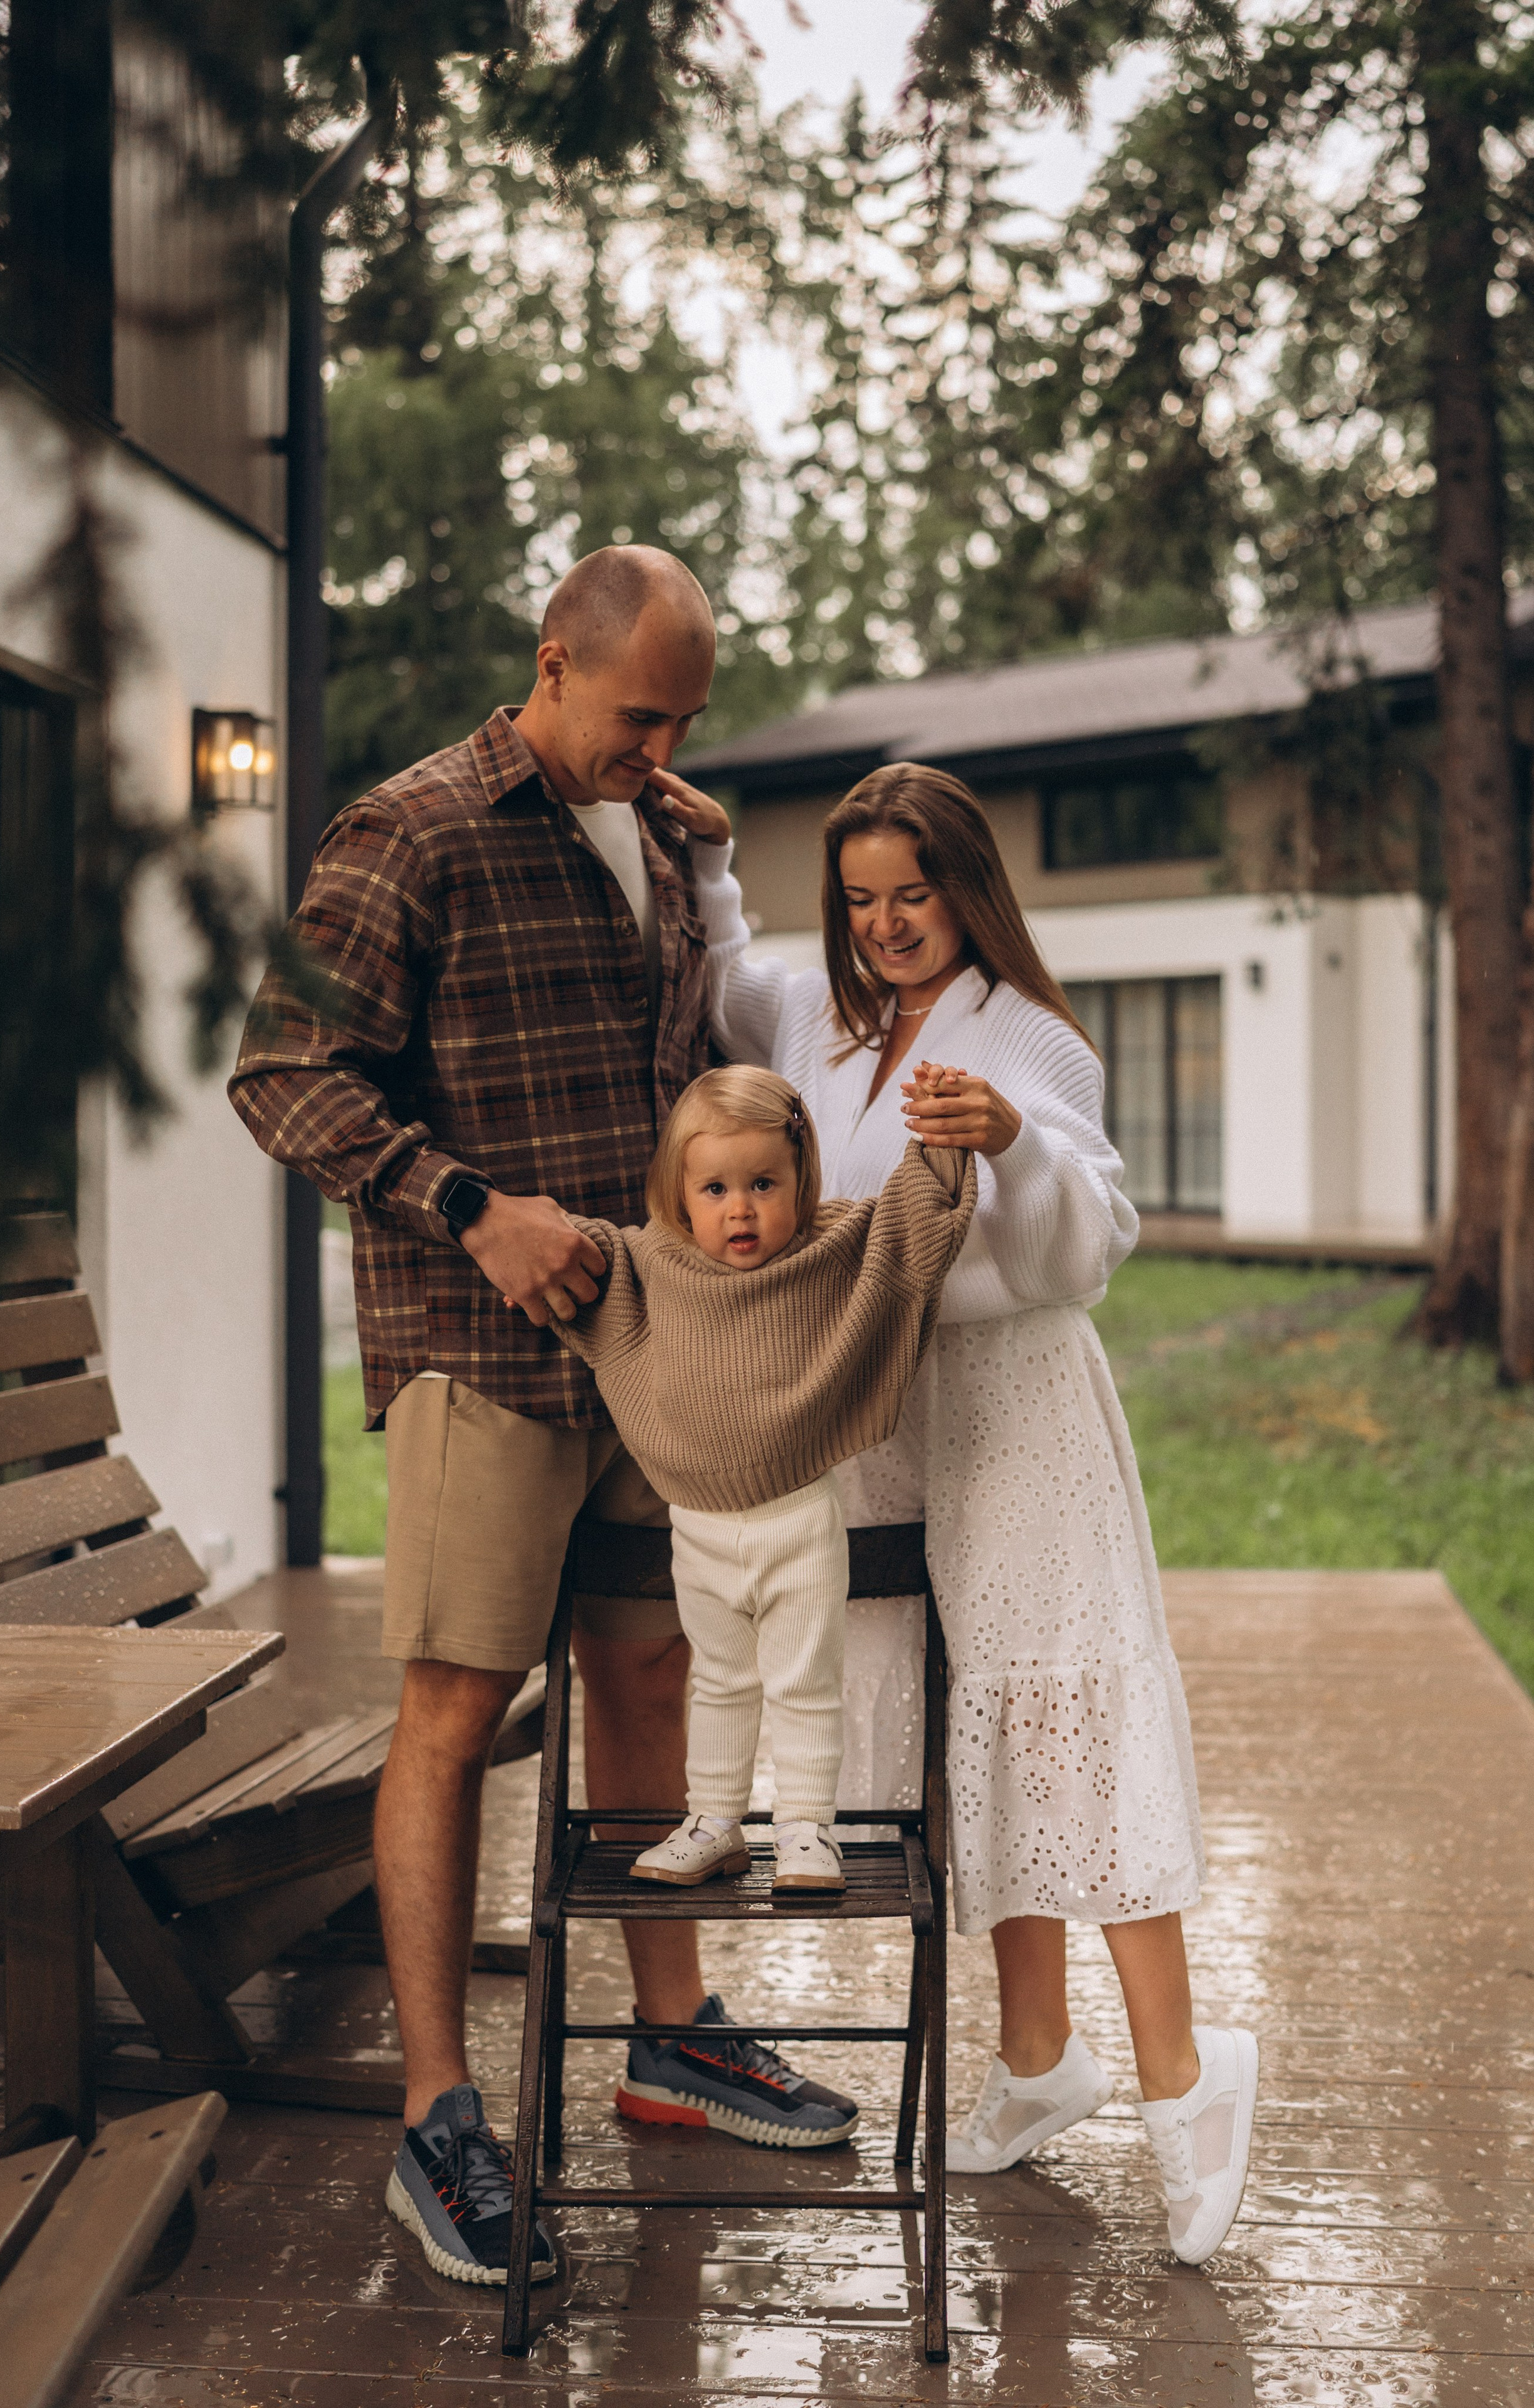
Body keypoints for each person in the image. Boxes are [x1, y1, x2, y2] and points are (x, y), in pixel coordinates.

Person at [228, 545, 858, 2293]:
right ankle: (438, 2115)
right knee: (451, 1713)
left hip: (651, 1359)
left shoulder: (659, 834)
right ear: (553, 663)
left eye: (685, 723)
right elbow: (281, 1072)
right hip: (479, 1358)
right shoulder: (410, 830)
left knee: (653, 1672)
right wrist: (467, 1206)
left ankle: (671, 2038)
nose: (662, 750)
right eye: (641, 714)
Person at [651, 755, 1259, 2269]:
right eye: (859, 899)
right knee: (951, 1733)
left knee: (1063, 1716)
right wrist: (712, 865)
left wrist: (1011, 1143)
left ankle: (1184, 2080)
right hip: (880, 1413)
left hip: (1016, 1405)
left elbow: (1088, 1244)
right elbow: (729, 981)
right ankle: (1037, 2056)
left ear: (967, 888)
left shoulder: (1032, 1040)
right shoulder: (817, 1019)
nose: (885, 923)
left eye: (911, 893)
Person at [544, 1065, 972, 1916]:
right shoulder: (653, 1265)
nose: (740, 1209)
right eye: (715, 1188)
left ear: (801, 1182)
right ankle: (715, 1821)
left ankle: (808, 1828)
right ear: (679, 1193)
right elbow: (581, 1258)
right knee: (719, 1681)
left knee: (805, 1681)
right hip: (698, 1530)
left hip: (797, 1520)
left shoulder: (827, 1252)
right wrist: (537, 1234)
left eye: (763, 1184)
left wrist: (938, 1142)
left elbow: (907, 1236)